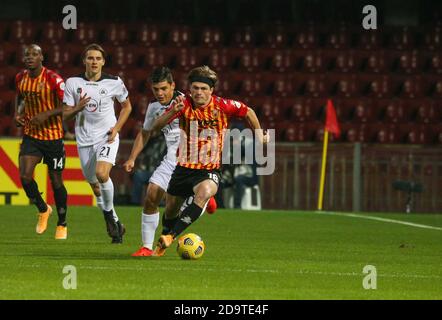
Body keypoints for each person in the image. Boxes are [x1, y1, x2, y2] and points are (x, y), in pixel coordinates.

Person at [151, 65, 269, 256]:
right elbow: (155, 127)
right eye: (195, 88)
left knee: (204, 191)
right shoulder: (182, 104)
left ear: (211, 90)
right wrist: (173, 112)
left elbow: (248, 111)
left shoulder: (223, 105)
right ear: (190, 89)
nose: (199, 92)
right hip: (183, 167)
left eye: (204, 88)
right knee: (171, 209)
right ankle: (164, 237)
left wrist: (259, 134)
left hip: (209, 169)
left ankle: (171, 236)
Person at [123, 67, 216, 257]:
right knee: (151, 195)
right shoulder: (154, 108)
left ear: (173, 86)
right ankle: (147, 247)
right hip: (171, 159)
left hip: (194, 161)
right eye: (156, 89)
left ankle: (202, 192)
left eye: (164, 88)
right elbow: (146, 132)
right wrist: (132, 157)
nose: (160, 93)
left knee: (178, 205)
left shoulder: (189, 101)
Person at [62, 43, 132, 244]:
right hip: (84, 140)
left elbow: (127, 107)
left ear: (103, 61)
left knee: (102, 174)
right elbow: (65, 115)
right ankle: (117, 224)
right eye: (90, 58)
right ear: (84, 60)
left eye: (98, 58)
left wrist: (116, 129)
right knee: (94, 186)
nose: (94, 62)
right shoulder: (73, 82)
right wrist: (78, 107)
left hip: (107, 136)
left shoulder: (114, 82)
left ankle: (109, 216)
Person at [15, 44, 68, 240]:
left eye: (34, 54)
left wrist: (47, 114)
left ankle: (62, 223)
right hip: (31, 135)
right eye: (27, 55)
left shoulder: (53, 79)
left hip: (53, 138)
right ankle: (43, 208)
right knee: (25, 176)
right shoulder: (21, 78)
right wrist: (17, 113)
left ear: (41, 58)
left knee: (56, 181)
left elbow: (68, 105)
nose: (30, 57)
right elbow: (19, 96)